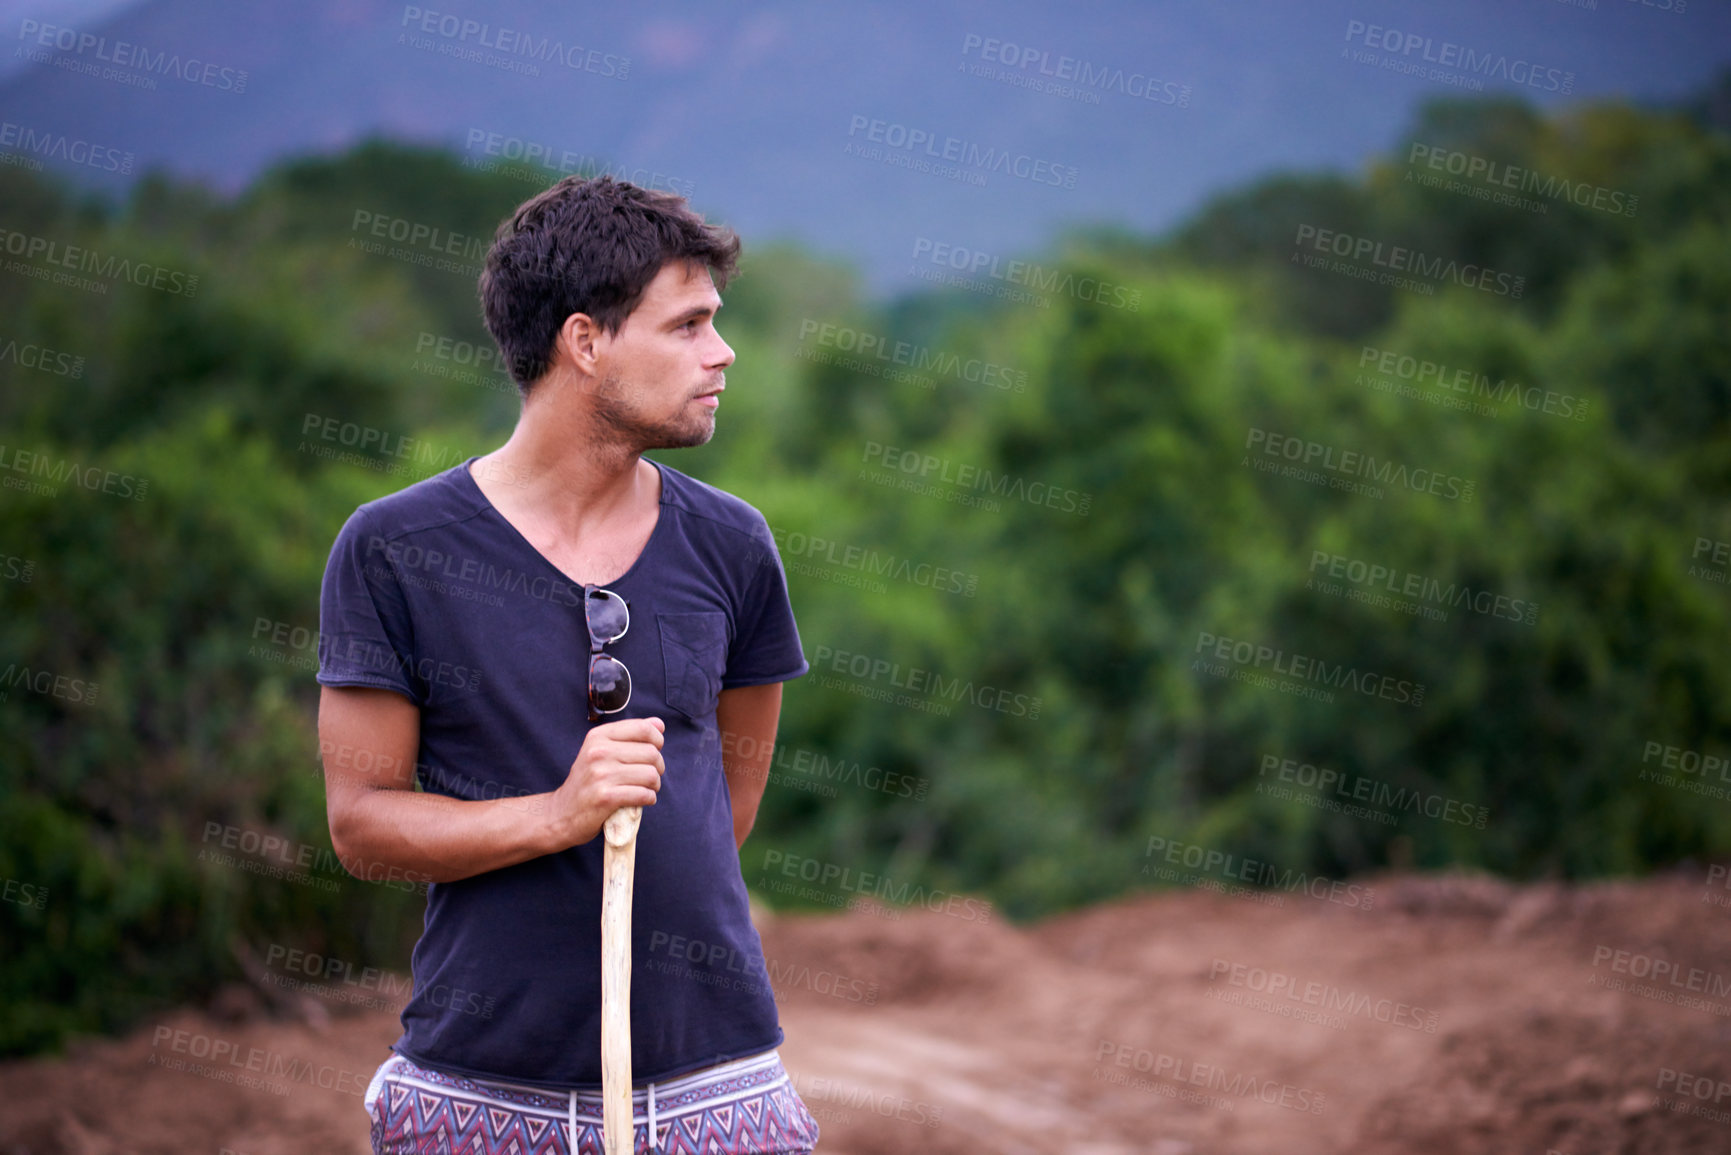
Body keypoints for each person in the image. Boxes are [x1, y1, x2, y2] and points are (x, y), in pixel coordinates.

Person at [315, 175, 820, 1155]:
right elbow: (362, 827)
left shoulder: (734, 546)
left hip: (720, 1096)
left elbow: (726, 805)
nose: (722, 354)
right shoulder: (392, 549)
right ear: (585, 342)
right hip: (478, 1100)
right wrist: (558, 815)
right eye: (687, 327)